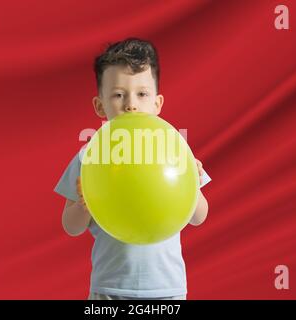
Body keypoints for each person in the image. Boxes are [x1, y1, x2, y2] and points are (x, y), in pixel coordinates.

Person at [54, 38, 211, 300]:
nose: (131, 104)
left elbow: (198, 217)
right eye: (118, 95)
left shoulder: (174, 150)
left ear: (157, 104)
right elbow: (70, 227)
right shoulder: (90, 156)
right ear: (100, 106)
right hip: (109, 288)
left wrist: (192, 184)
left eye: (142, 94)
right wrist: (84, 204)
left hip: (167, 289)